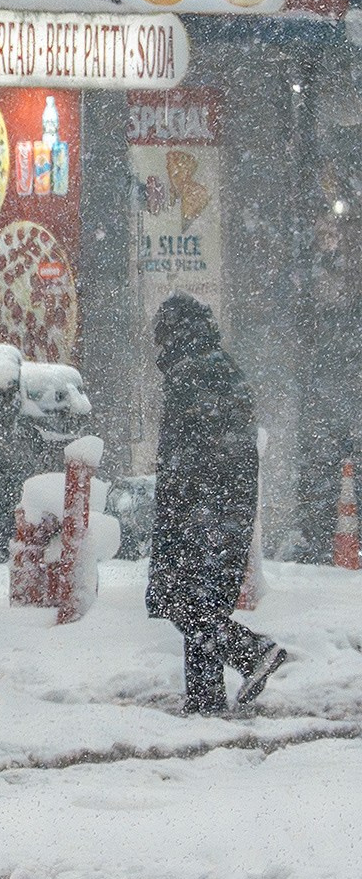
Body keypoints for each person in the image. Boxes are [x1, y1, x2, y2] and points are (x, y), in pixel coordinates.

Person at [148, 292, 287, 714]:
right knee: (200, 601)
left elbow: (190, 455)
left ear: (174, 333)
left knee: (182, 599)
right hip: (224, 506)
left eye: (163, 336)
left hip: (202, 508)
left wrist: (181, 510)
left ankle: (251, 651)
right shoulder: (221, 369)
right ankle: (206, 702)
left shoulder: (193, 376)